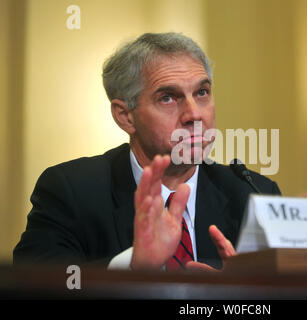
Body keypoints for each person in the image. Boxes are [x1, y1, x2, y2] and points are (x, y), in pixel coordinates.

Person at [13, 33, 281, 271]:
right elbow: (33, 283)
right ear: (125, 116)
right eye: (167, 98)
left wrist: (241, 296)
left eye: (202, 92)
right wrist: (134, 266)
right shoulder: (71, 190)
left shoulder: (254, 194)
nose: (194, 114)